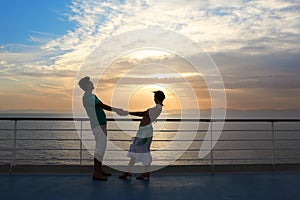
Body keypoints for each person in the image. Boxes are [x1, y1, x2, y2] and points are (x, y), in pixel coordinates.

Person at [78, 76, 127, 181]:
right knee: (100, 148)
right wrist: (116, 110)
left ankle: (99, 170)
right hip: (98, 125)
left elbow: (100, 106)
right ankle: (96, 172)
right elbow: (102, 105)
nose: (92, 84)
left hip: (101, 124)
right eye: (90, 82)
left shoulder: (92, 96)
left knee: (102, 147)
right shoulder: (87, 97)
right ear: (87, 85)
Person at [119, 90, 165, 180]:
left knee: (143, 152)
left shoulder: (157, 108)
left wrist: (128, 112)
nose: (154, 99)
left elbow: (143, 114)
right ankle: (128, 171)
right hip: (143, 132)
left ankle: (144, 173)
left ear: (156, 98)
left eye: (154, 97)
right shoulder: (157, 108)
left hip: (145, 133)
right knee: (135, 151)